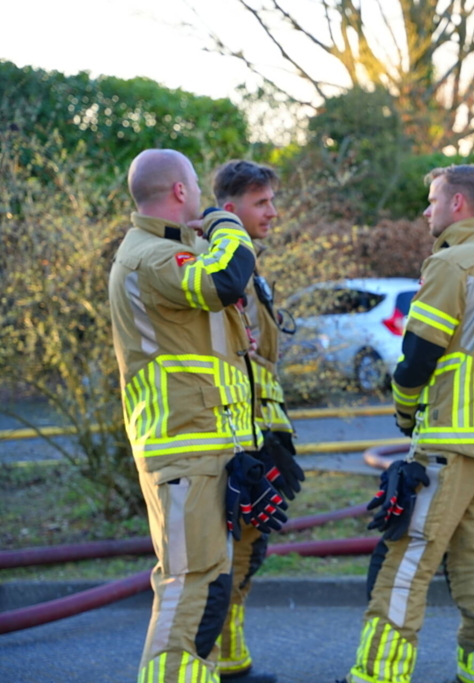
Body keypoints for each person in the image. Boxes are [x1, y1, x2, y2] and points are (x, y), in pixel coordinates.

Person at [345, 164, 474, 683]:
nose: (426, 211)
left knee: (409, 560)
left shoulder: (450, 265)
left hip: (448, 440)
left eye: (432, 200)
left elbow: (418, 357)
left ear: (458, 205)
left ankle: (378, 674)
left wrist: (404, 411)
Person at [109, 149, 286, 682]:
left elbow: (240, 356)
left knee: (209, 587)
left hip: (210, 449)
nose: (209, 206)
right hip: (181, 450)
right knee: (190, 589)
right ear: (182, 193)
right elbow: (223, 282)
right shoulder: (151, 257)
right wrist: (229, 224)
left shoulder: (177, 252)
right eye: (201, 193)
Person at [211, 160, 305, 683]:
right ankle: (225, 666)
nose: (273, 211)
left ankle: (233, 662)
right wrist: (243, 451)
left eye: (272, 200)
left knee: (248, 557)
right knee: (229, 563)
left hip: (260, 438)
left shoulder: (250, 273)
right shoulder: (221, 274)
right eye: (261, 202)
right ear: (229, 211)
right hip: (236, 445)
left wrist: (273, 441)